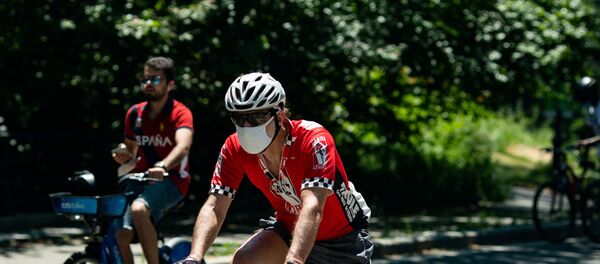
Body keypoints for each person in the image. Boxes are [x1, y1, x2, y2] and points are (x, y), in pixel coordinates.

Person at [178, 72, 373, 264]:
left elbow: (312, 207)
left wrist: (294, 260)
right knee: (246, 259)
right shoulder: (234, 147)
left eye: (256, 117)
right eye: (239, 118)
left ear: (279, 114)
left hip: (341, 239)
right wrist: (193, 257)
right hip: (288, 229)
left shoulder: (314, 140)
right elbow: (215, 206)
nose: (247, 126)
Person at [112, 56, 194, 264]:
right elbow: (130, 151)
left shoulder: (180, 113)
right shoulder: (134, 114)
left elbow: (183, 146)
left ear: (170, 84)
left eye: (155, 79)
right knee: (120, 234)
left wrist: (163, 165)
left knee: (140, 209)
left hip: (172, 180)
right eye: (145, 79)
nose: (148, 84)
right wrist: (122, 153)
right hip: (139, 179)